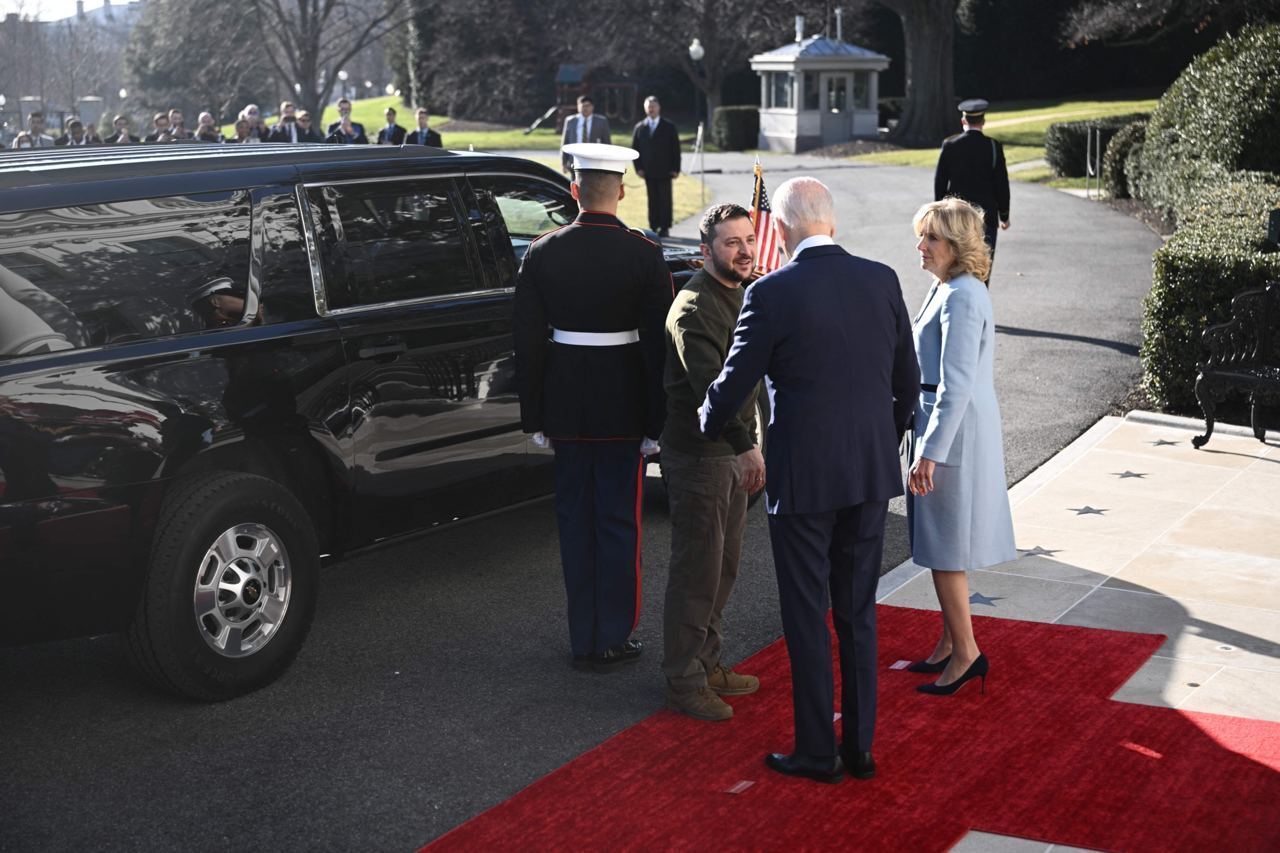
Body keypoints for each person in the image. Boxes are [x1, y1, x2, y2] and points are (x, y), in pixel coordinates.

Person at [700, 177, 919, 784]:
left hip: (802, 480)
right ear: (832, 222)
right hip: (870, 474)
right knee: (857, 614)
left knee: (805, 615)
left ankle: (817, 751)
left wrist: (706, 420)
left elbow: (735, 379)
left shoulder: (772, 292)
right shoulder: (882, 279)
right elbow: (908, 382)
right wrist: (881, 438)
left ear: (786, 229)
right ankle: (862, 748)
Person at [513, 142, 673, 672]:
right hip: (624, 406)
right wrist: (658, 421)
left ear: (574, 192)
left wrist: (534, 417)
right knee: (618, 524)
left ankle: (583, 636)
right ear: (622, 192)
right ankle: (613, 634)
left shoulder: (542, 251)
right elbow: (659, 348)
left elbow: (528, 342)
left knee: (574, 523)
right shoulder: (644, 254)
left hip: (566, 407)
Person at [905, 198, 1017, 695]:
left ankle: (967, 653)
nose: (921, 245)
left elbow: (956, 385)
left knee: (946, 545)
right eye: (921, 235)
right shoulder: (945, 287)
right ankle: (951, 642)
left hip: (952, 430)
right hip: (940, 420)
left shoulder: (963, 296)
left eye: (931, 237)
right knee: (938, 541)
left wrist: (931, 452)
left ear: (955, 244)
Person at [660, 203, 764, 722]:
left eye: (748, 239)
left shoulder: (741, 294)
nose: (745, 250)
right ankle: (683, 680)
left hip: (731, 453)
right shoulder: (695, 308)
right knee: (697, 571)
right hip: (702, 456)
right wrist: (747, 445)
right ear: (706, 252)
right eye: (731, 243)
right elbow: (711, 392)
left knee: (723, 569)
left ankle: (707, 662)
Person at [933, 99, 1010, 277]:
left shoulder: (950, 145)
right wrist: (1004, 215)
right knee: (982, 264)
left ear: (963, 121)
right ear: (983, 122)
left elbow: (940, 182)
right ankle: (980, 301)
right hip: (987, 216)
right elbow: (1001, 183)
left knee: (956, 262)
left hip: (956, 216)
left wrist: (939, 213)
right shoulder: (992, 146)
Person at [630, 96, 681, 237]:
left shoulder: (669, 126)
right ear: (645, 109)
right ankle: (653, 225)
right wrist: (638, 168)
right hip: (648, 171)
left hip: (666, 170)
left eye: (653, 106)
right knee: (652, 199)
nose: (651, 109)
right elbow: (635, 149)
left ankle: (665, 227)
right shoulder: (640, 127)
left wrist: (676, 169)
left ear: (659, 108)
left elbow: (675, 149)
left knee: (665, 200)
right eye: (648, 106)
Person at [560, 95, 611, 173]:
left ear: (592, 107)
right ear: (578, 106)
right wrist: (563, 163)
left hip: (594, 162)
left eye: (587, 106)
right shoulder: (570, 121)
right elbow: (565, 142)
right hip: (575, 161)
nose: (585, 108)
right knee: (574, 184)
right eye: (582, 106)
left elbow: (607, 143)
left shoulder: (601, 121)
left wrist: (607, 162)